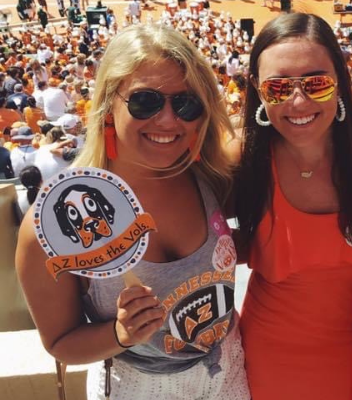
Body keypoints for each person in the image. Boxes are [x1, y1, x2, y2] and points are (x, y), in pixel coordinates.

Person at [16, 24, 250, 400]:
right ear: (109, 103)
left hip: (229, 369)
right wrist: (118, 334)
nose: (169, 120)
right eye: (146, 101)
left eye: (187, 104)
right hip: (138, 387)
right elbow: (60, 342)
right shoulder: (54, 224)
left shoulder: (212, 175)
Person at [234, 13, 352, 400]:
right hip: (273, 358)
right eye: (278, 88)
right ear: (257, 89)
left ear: (339, 80)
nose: (298, 101)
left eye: (316, 83)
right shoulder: (241, 154)